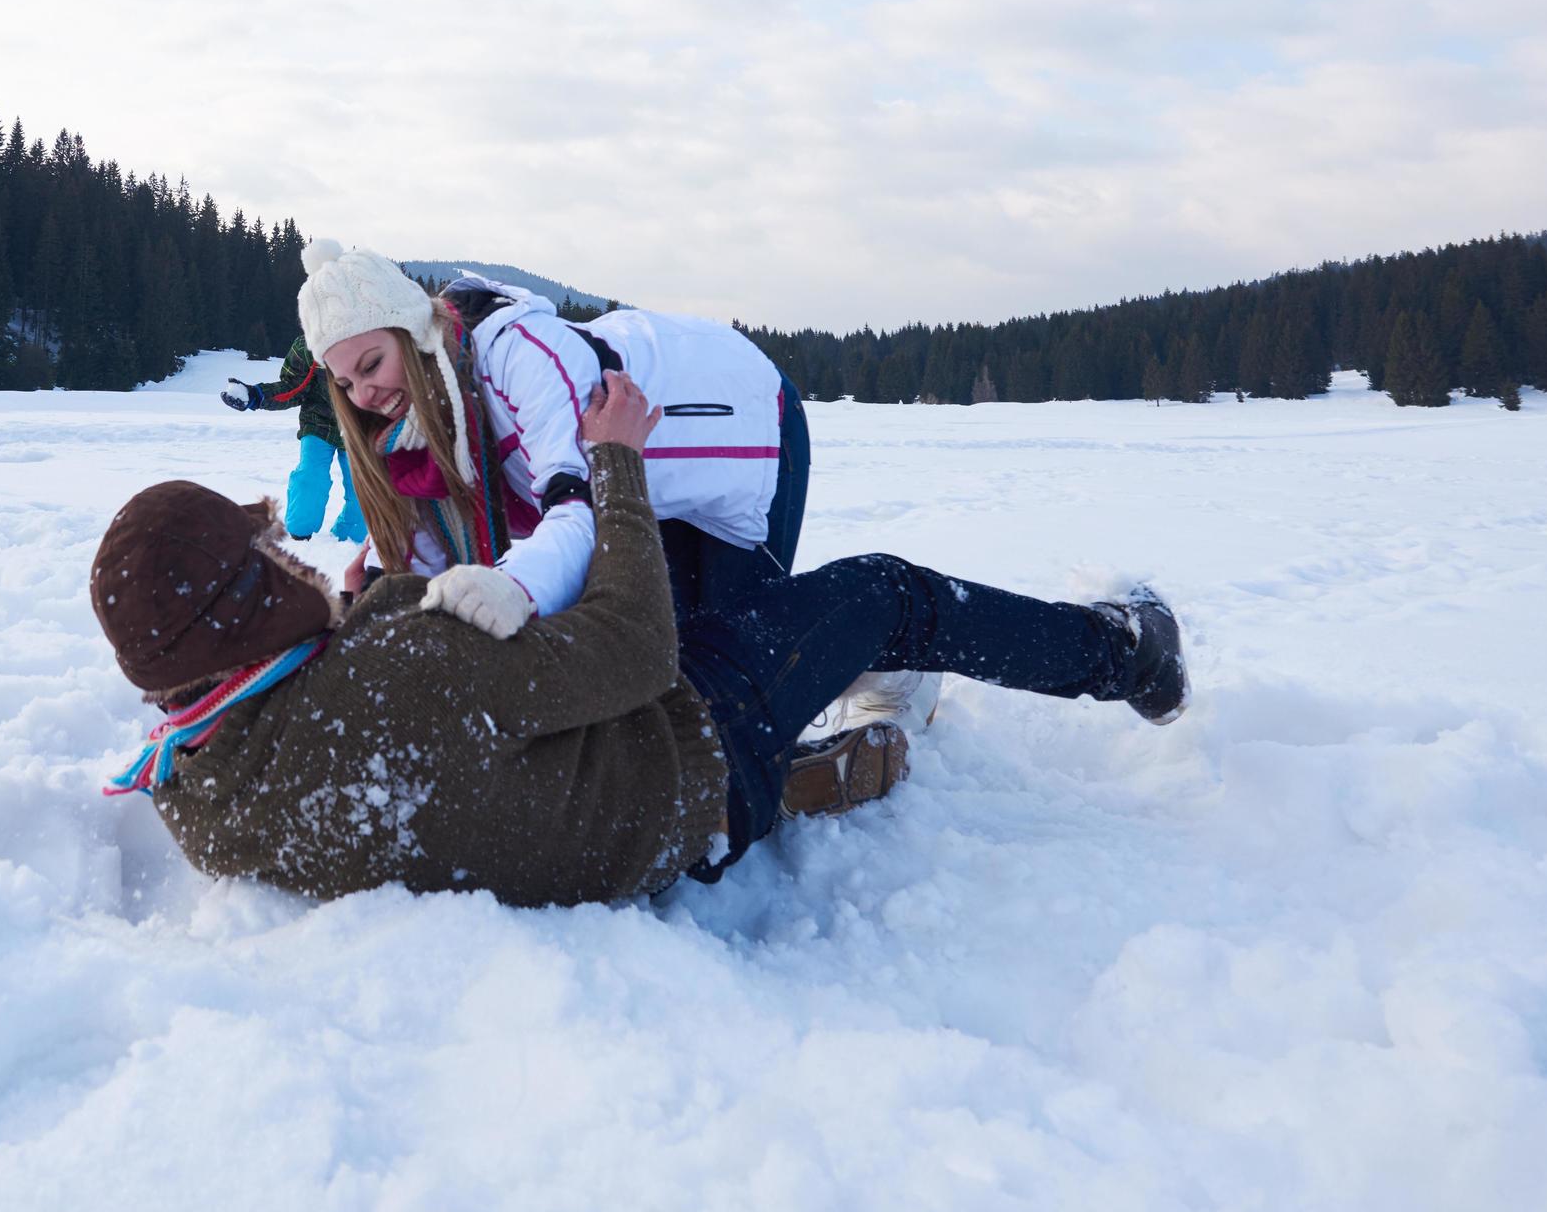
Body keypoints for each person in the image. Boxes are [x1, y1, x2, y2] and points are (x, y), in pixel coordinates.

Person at [87, 372, 1188, 905]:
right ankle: (1125, 652)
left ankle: (836, 764)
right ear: (242, 613)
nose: (294, 561)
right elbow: (634, 654)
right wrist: (613, 459)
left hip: (608, 832)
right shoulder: (399, 671)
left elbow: (380, 750)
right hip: (687, 755)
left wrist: (370, 609)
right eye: (270, 561)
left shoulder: (196, 795)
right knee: (885, 592)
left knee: (761, 625)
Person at [294, 241, 934, 736]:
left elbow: (577, 513)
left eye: (372, 363)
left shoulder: (518, 354)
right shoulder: (417, 437)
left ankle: (882, 658)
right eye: (345, 383)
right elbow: (431, 566)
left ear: (412, 329)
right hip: (638, 492)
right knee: (653, 679)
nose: (364, 395)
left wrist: (510, 587)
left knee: (732, 677)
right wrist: (374, 597)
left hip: (739, 432)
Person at [220, 335, 366, 543]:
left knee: (364, 488)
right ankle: (299, 535)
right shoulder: (310, 344)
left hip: (360, 428)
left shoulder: (376, 342)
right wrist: (256, 395)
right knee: (310, 476)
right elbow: (292, 387)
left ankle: (348, 540)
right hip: (318, 423)